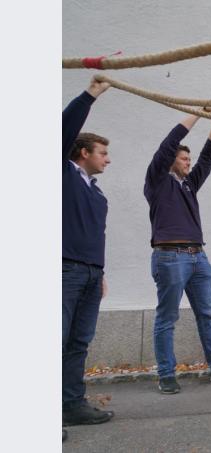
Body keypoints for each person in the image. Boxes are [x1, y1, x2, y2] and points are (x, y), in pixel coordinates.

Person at [144, 113, 211, 395]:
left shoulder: (189, 185)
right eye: (182, 159)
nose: (188, 163)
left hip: (198, 257)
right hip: (170, 256)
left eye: (188, 160)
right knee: (167, 318)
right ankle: (166, 373)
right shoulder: (157, 182)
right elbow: (168, 143)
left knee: (208, 314)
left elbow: (207, 159)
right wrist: (197, 114)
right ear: (170, 162)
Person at [62, 77, 116, 429]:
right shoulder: (62, 174)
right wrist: (90, 95)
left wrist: (100, 272)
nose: (108, 160)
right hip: (63, 270)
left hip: (91, 274)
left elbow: (95, 236)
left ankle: (71, 404)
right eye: (103, 153)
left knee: (79, 341)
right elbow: (61, 131)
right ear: (83, 152)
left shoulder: (97, 195)